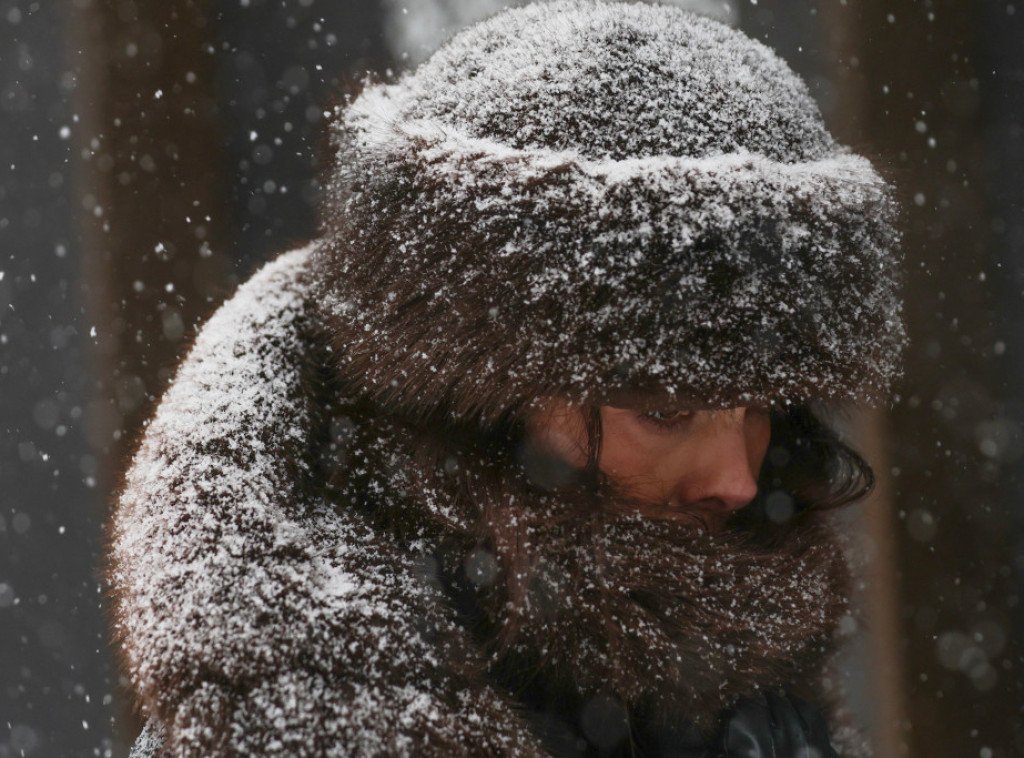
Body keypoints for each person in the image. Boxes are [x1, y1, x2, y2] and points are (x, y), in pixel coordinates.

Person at [110, 1, 904, 756]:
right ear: (483, 399)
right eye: (666, 413)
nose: (738, 478)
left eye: (761, 408)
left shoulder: (741, 683)